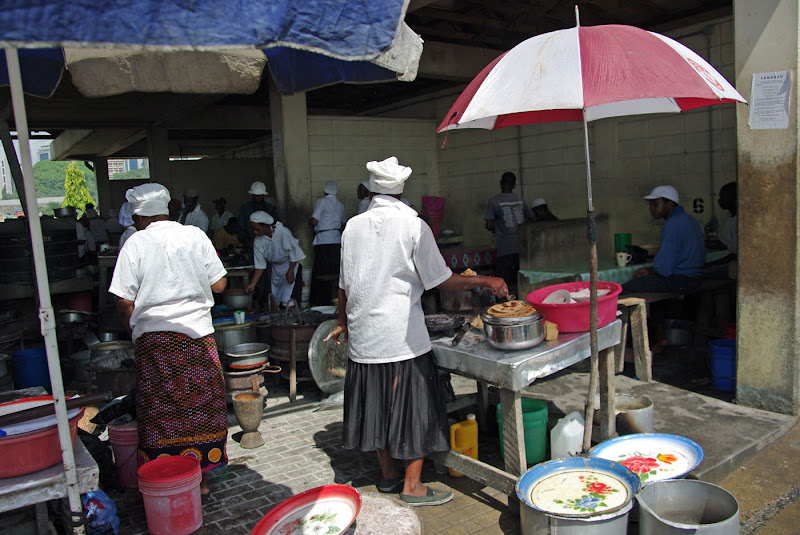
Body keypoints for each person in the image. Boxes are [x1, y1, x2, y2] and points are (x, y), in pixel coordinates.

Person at [325, 156, 508, 507]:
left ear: (372, 188)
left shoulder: (352, 227)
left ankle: (389, 475)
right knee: (414, 408)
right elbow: (443, 281)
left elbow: (344, 284)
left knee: (376, 405)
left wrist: (343, 321)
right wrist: (488, 279)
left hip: (364, 336)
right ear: (401, 190)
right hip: (401, 337)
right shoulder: (414, 226)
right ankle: (413, 486)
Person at [108, 183, 228, 496]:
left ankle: (168, 480)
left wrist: (133, 330)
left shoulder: (135, 243)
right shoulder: (194, 235)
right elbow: (220, 284)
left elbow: (123, 300)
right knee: (200, 406)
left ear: (137, 217)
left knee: (161, 412)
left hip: (154, 340)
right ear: (167, 210)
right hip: (197, 336)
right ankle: (199, 478)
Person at [622, 185, 705, 294]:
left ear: (670, 203)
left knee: (624, 289)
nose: (651, 208)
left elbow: (664, 269)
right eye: (650, 204)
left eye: (656, 204)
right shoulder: (690, 220)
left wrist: (651, 271)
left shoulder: (672, 224)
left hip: (681, 280)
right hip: (696, 278)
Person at [485, 171, 533, 294]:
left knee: (504, 284)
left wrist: (497, 228)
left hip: (504, 248)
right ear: (514, 185)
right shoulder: (520, 200)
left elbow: (489, 224)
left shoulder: (494, 201)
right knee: (520, 281)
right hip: (521, 247)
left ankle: (506, 306)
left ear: (500, 183)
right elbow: (532, 218)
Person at [246, 211, 305, 308]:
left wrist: (290, 271)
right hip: (276, 268)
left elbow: (295, 253)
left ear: (265, 226)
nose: (255, 232)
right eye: (253, 230)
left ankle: (292, 317)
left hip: (291, 264)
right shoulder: (258, 241)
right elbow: (260, 266)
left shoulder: (282, 232)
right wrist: (252, 284)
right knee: (276, 299)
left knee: (290, 299)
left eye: (257, 229)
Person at [309, 181, 347, 305]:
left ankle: (322, 301)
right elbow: (343, 222)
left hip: (323, 241)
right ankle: (336, 300)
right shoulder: (340, 205)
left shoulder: (322, 202)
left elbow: (314, 220)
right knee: (335, 272)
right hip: (336, 240)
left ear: (325, 191)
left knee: (322, 273)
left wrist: (310, 223)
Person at [704, 182, 737, 278]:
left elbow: (733, 253)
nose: (719, 200)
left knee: (705, 272)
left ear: (734, 199)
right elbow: (725, 244)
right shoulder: (730, 217)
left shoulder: (740, 220)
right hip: (732, 257)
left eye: (723, 197)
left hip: (737, 262)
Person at [238, 181, 278, 248]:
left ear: (263, 195)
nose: (257, 198)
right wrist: (247, 242)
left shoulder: (270, 208)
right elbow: (241, 228)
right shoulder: (245, 209)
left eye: (259, 196)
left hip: (269, 244)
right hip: (250, 245)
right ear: (252, 195)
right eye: (255, 196)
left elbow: (275, 226)